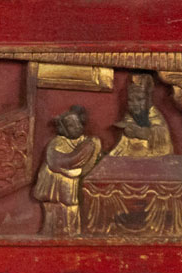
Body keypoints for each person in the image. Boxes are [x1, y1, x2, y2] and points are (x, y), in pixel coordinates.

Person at [32, 105, 104, 236]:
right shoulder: (57, 142)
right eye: (71, 125)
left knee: (71, 209)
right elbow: (61, 161)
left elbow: (89, 161)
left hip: (71, 187)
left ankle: (72, 232)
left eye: (78, 123)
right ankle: (52, 231)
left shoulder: (86, 141)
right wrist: (81, 154)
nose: (76, 127)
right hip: (55, 186)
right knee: (54, 209)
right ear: (63, 129)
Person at [110, 74, 173, 158]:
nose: (135, 104)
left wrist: (141, 132)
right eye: (130, 100)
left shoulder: (155, 116)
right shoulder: (130, 115)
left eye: (140, 99)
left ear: (148, 100)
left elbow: (160, 135)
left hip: (153, 157)